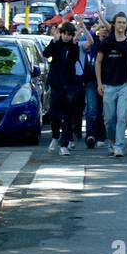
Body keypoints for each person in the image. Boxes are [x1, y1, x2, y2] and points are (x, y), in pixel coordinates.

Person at [96, 12, 127, 158]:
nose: (122, 25)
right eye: (119, 22)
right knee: (109, 119)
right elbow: (98, 62)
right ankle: (111, 141)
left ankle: (118, 146)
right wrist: (99, 83)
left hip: (125, 85)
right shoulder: (107, 42)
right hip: (108, 85)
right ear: (114, 24)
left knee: (122, 116)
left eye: (124, 23)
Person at [43, 21, 81, 155]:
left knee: (68, 115)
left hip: (70, 85)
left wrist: (75, 42)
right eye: (64, 34)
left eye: (69, 35)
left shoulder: (74, 47)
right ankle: (54, 136)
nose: (67, 37)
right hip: (56, 85)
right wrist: (53, 41)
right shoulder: (56, 45)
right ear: (61, 33)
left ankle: (64, 144)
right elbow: (45, 54)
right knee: (54, 115)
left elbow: (74, 59)